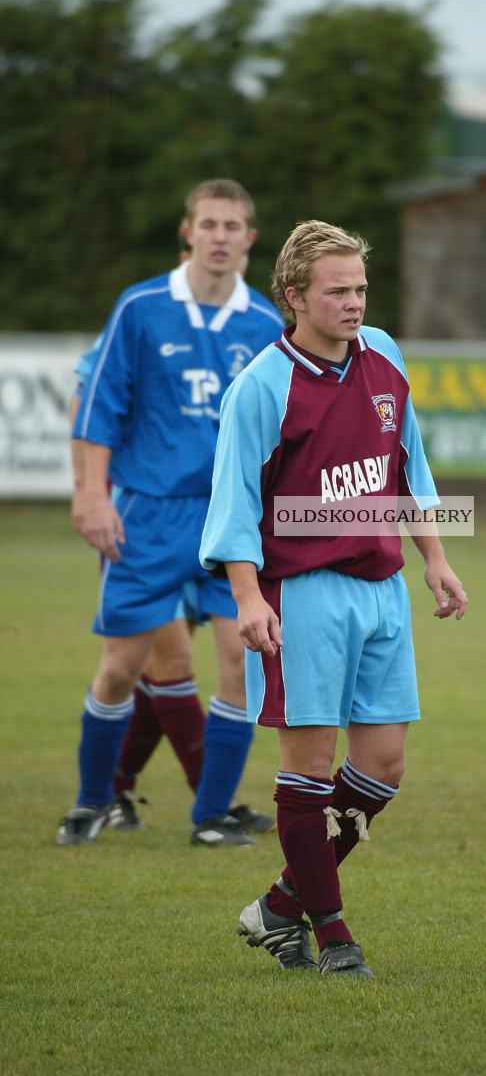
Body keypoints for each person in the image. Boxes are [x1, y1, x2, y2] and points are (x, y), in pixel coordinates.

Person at [199, 220, 468, 978]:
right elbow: (234, 507)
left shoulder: (382, 353)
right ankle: (333, 937)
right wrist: (249, 600)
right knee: (309, 772)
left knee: (382, 765)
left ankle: (283, 901)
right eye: (336, 291)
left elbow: (407, 465)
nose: (353, 303)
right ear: (293, 297)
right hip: (303, 594)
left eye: (359, 288)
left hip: (380, 589)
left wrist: (435, 558)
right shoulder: (263, 384)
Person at [58, 178, 284, 847]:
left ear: (249, 237)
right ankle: (94, 799)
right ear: (187, 232)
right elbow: (98, 404)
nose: (219, 236)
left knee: (241, 663)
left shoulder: (268, 326)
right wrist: (90, 493)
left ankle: (211, 816)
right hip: (149, 514)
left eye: (232, 225)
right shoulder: (142, 307)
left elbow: (281, 436)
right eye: (208, 224)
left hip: (232, 518)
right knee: (122, 668)